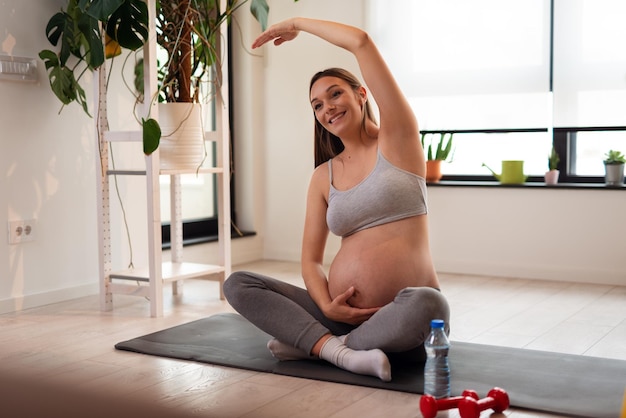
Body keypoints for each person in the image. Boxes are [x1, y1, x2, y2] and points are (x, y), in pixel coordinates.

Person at [223, 17, 450, 382]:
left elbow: (360, 41)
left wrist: (297, 23)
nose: (327, 107)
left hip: (400, 316)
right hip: (337, 313)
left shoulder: (399, 140)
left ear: (361, 94)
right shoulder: (322, 177)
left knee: (430, 304)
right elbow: (311, 261)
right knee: (238, 284)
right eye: (316, 104)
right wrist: (328, 304)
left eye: (335, 93)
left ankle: (319, 346)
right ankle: (340, 349)